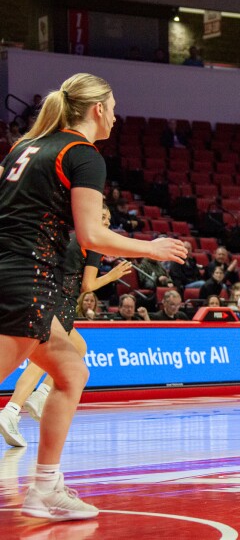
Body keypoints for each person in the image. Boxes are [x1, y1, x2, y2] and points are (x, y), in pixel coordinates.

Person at [0, 73, 185, 520]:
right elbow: (91, 234)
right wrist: (151, 247)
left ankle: (45, 488)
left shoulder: (26, 147)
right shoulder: (82, 154)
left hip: (14, 271)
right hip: (26, 278)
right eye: (114, 106)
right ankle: (45, 488)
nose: (117, 116)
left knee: (71, 371)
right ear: (98, 109)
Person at [0, 204, 132, 446]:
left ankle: (39, 396)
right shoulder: (92, 241)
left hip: (53, 297)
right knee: (40, 363)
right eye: (101, 215)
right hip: (60, 302)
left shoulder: (74, 237)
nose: (104, 221)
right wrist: (113, 276)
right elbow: (88, 285)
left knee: (79, 348)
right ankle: (11, 410)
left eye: (108, 217)